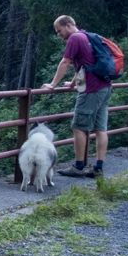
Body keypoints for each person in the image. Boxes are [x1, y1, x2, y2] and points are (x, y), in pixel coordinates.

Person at [41, 15, 111, 177]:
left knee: (78, 127)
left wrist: (53, 84)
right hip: (105, 87)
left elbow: (66, 62)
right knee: (101, 129)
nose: (59, 35)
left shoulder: (75, 38)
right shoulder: (87, 37)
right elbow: (84, 66)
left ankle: (78, 167)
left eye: (59, 31)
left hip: (91, 90)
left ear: (68, 25)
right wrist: (72, 84)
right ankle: (98, 168)